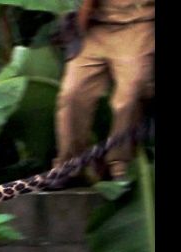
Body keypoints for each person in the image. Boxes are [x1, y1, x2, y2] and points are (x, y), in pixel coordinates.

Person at [53, 0, 155, 181]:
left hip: (138, 25)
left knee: (129, 95)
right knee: (72, 94)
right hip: (93, 27)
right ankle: (69, 165)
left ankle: (119, 164)